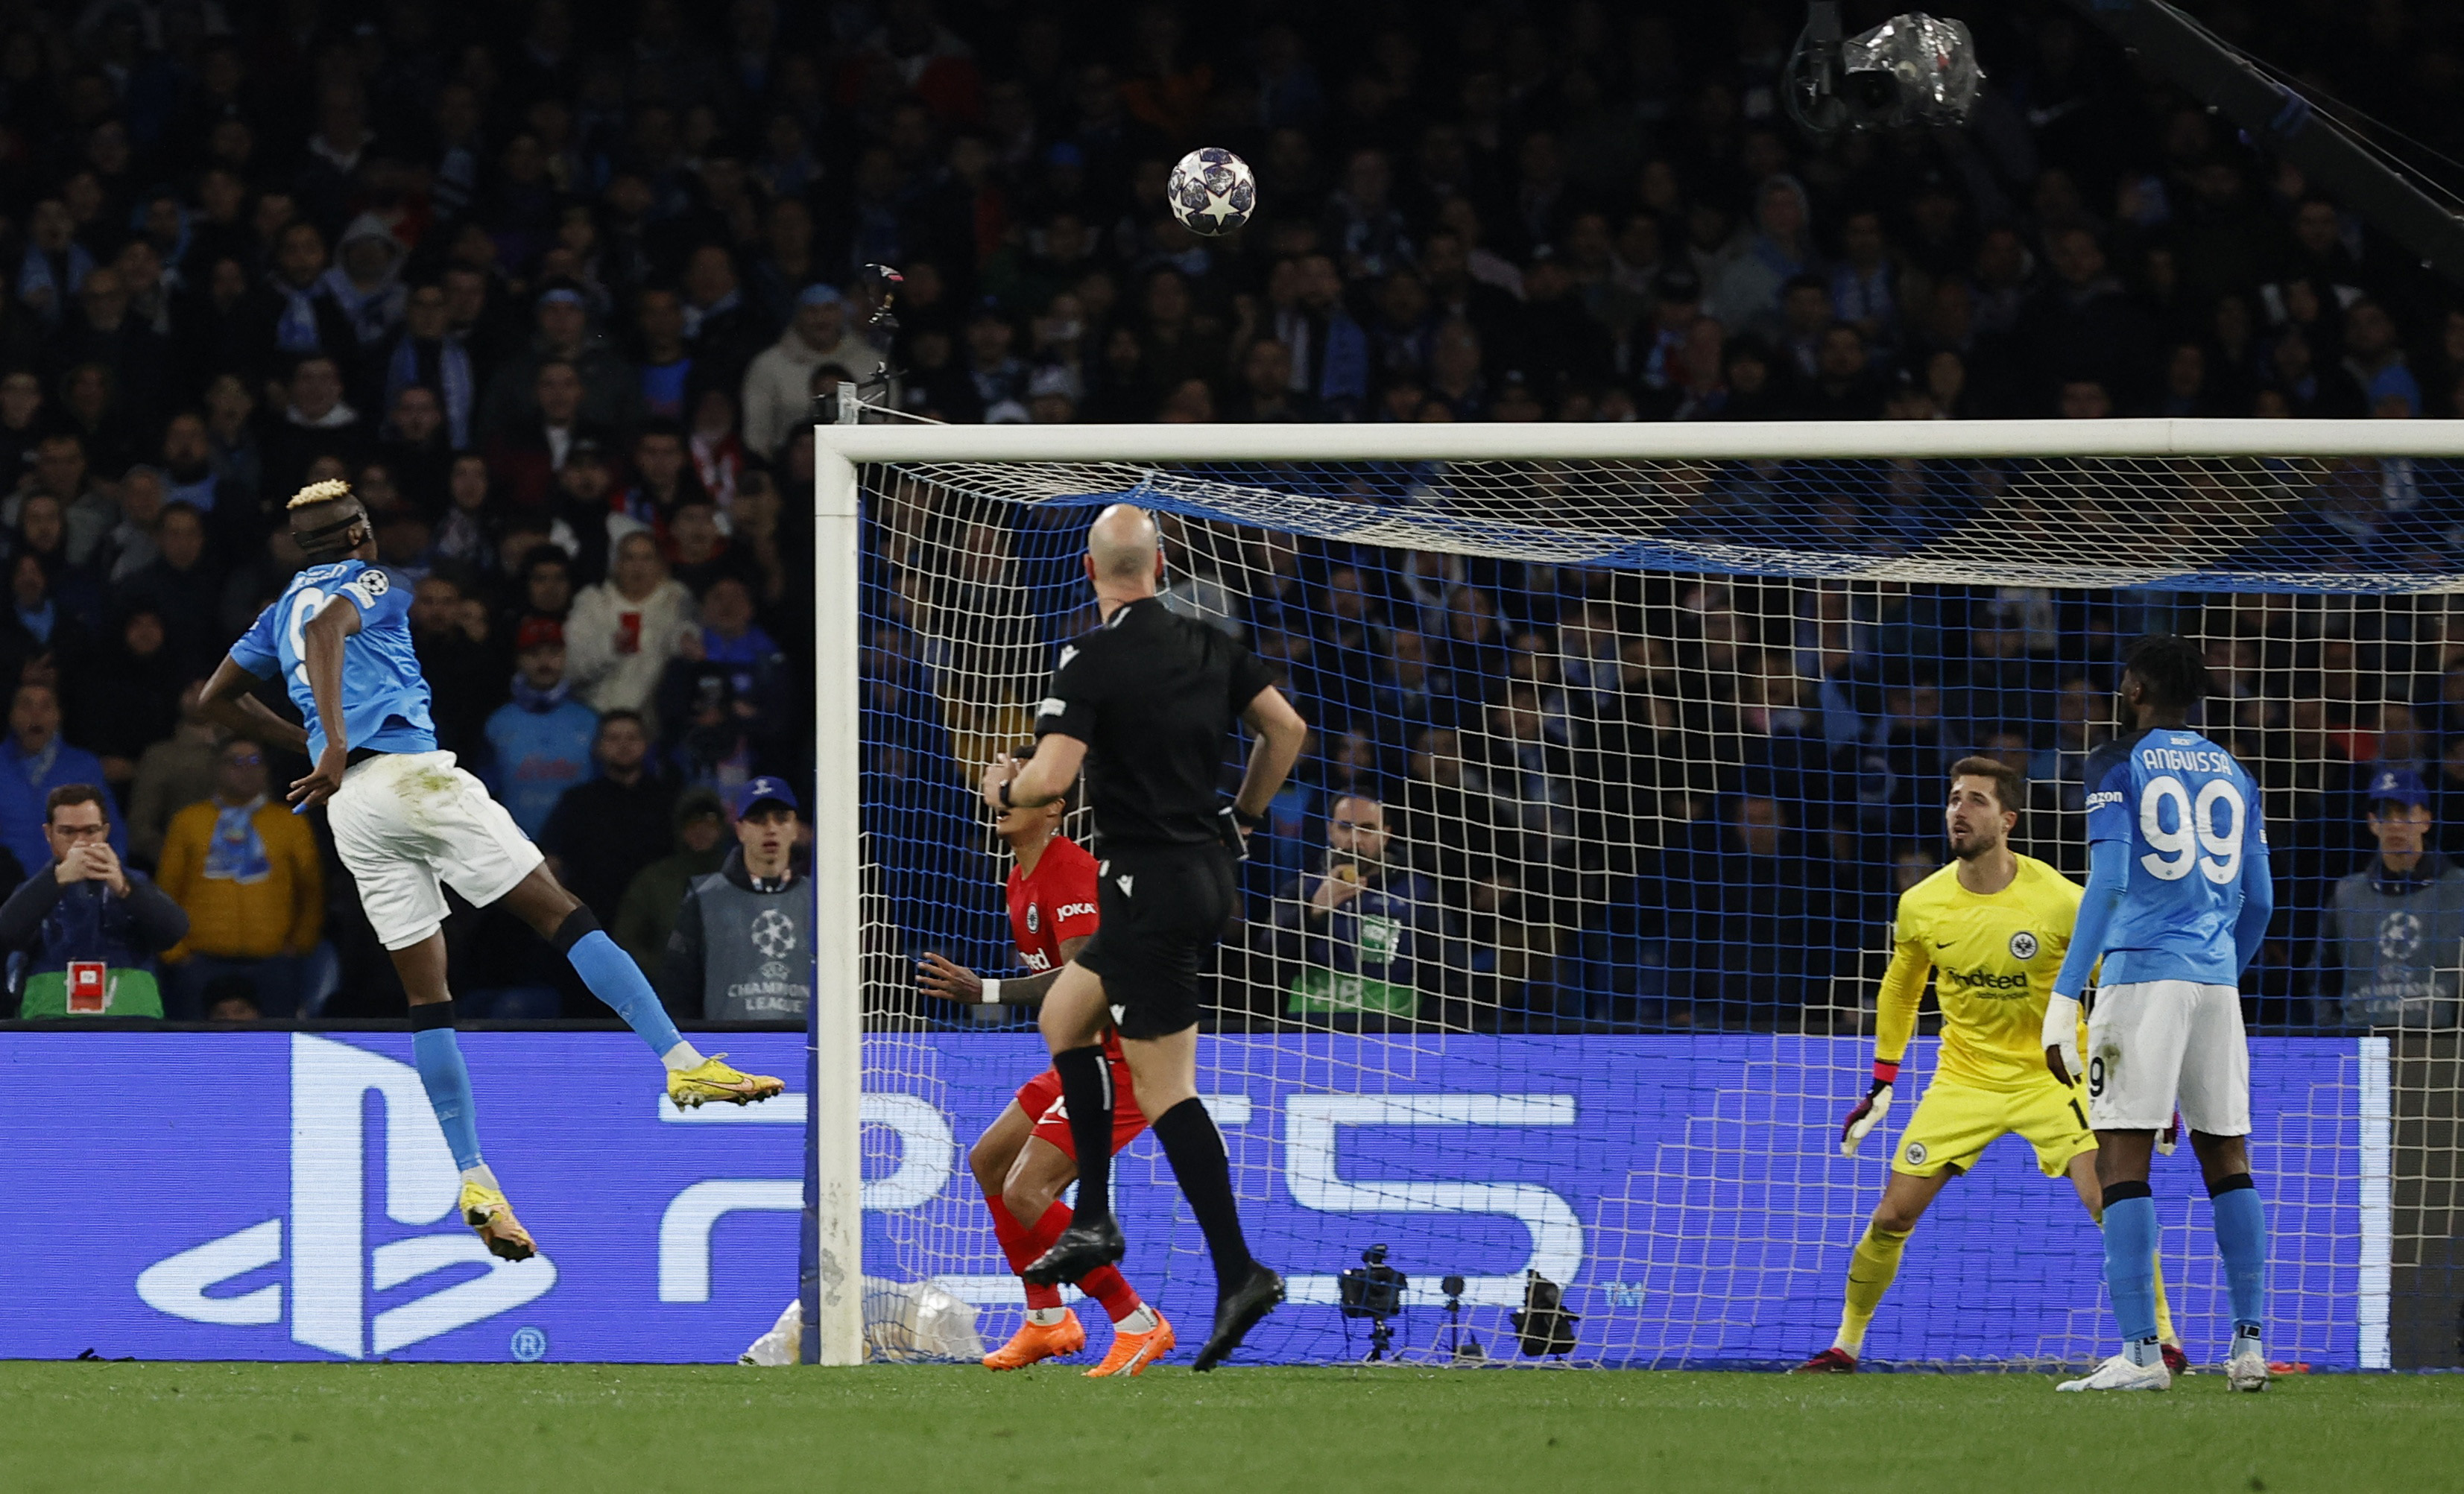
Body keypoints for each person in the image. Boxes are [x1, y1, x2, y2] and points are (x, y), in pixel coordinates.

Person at [198, 478, 780, 1265]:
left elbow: (217, 696)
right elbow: (334, 632)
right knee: (560, 912)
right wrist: (331, 740)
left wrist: (312, 747)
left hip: (355, 811)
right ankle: (685, 1065)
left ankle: (475, 1178)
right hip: (410, 776)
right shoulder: (375, 582)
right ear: (360, 532)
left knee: (427, 996)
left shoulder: (278, 611)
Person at [983, 502, 1307, 1371]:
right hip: (1199, 877)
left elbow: (1052, 775)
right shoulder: (1212, 643)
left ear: (1094, 574)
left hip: (1149, 886)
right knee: (1067, 1013)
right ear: (1158, 567)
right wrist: (1244, 815)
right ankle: (1093, 1210)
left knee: (1168, 1090)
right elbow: (1288, 731)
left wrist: (1005, 790)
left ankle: (1239, 1270)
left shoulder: (1092, 654)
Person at [1793, 759, 2180, 1374]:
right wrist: (1883, 1080)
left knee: (2111, 1198)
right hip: (1964, 1078)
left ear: (2008, 819)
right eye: (1953, 799)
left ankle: (2161, 1338)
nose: (1958, 811)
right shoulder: (1923, 904)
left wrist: (2148, 1082)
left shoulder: (2060, 901)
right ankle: (1847, 1343)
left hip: (2053, 1077)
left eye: (1975, 800)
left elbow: (2118, 992)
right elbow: (1900, 990)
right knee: (1892, 1214)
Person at [2044, 635, 2274, 1393]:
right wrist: (2216, 977)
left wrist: (2063, 997)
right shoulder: (2238, 774)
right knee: (2227, 1158)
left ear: (2136, 686)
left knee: (2122, 1158)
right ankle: (2248, 1346)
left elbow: (2107, 885)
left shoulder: (2115, 760)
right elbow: (2261, 902)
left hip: (2142, 975)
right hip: (2215, 983)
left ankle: (2143, 1353)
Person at [914, 751, 1171, 1376]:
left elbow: (1090, 976)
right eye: (998, 789)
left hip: (1125, 1056)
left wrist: (989, 991)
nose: (1001, 798)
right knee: (989, 1161)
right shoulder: (1018, 876)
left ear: (1054, 805)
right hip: (1081, 1054)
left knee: (1028, 1189)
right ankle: (1046, 1318)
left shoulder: (1069, 872)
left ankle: (1138, 1321)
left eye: (1018, 788)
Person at [154, 738, 323, 1019]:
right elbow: (165, 893)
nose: (246, 769)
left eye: (254, 762)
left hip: (273, 962)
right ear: (216, 768)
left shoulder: (290, 823)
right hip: (200, 962)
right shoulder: (188, 822)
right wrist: (178, 956)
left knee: (275, 1047)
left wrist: (300, 944)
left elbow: (312, 891)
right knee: (194, 1051)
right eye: (235, 762)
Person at [0, 785, 186, 1018]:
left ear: (105, 831)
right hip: (50, 1025)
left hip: (131, 1023)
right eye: (68, 832)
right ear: (49, 834)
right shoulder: (35, 891)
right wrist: (55, 881)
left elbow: (175, 931)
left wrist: (125, 888)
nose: (81, 842)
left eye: (90, 831)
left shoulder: (134, 884)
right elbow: (6, 933)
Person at [1266, 791, 1452, 1019]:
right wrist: (1311, 911)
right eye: (1345, 827)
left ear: (1385, 835)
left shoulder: (1418, 893)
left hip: (1394, 1035)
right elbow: (1267, 960)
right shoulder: (1301, 890)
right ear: (1330, 831)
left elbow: (1450, 976)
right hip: (1313, 1033)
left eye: (1367, 828)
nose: (1355, 839)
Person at [2315, 767, 2464, 1030]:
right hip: (2363, 1048)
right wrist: (2333, 1033)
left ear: (2425, 820)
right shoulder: (2347, 894)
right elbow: (2320, 976)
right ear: (2372, 823)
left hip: (2442, 1050)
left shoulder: (2458, 888)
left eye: (2404, 812)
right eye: (2385, 814)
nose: (2394, 824)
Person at [656, 776, 812, 1021]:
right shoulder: (704, 898)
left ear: (795, 828)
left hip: (807, 1049)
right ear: (739, 830)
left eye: (781, 819)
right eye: (758, 820)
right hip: (727, 1049)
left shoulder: (819, 900)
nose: (770, 828)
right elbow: (678, 991)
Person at [482, 618, 599, 838]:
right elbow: (485, 791)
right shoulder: (498, 722)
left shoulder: (589, 720)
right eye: (534, 654)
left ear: (565, 658)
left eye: (553, 653)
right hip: (515, 845)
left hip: (578, 844)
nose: (544, 662)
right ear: (519, 660)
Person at [0, 682, 120, 877]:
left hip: (74, 892)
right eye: (26, 705)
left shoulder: (84, 767)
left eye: (46, 706)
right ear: (12, 715)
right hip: (7, 895)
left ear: (59, 715)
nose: (36, 715)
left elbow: (113, 834)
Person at [613, 787, 730, 973]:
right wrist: (664, 971)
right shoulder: (654, 880)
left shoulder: (740, 877)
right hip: (669, 993)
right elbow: (626, 941)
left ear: (722, 828)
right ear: (680, 829)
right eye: (693, 822)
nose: (701, 830)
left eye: (710, 821)